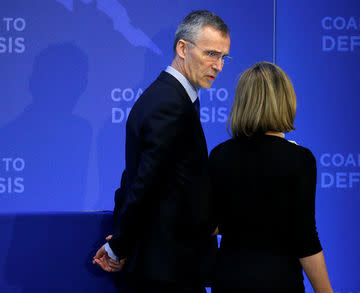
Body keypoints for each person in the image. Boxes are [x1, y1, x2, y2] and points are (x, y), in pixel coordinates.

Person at [92, 10, 231, 293]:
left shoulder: (171, 98)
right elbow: (144, 184)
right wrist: (120, 244)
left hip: (169, 265)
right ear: (182, 48)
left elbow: (137, 175)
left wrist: (122, 239)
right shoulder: (170, 104)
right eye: (211, 54)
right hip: (167, 270)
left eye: (223, 58)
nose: (218, 66)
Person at [208, 62, 333, 293]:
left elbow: (210, 225)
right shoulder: (299, 159)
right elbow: (305, 237)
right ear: (286, 101)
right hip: (278, 281)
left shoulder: (219, 155)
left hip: (228, 280)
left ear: (242, 103)